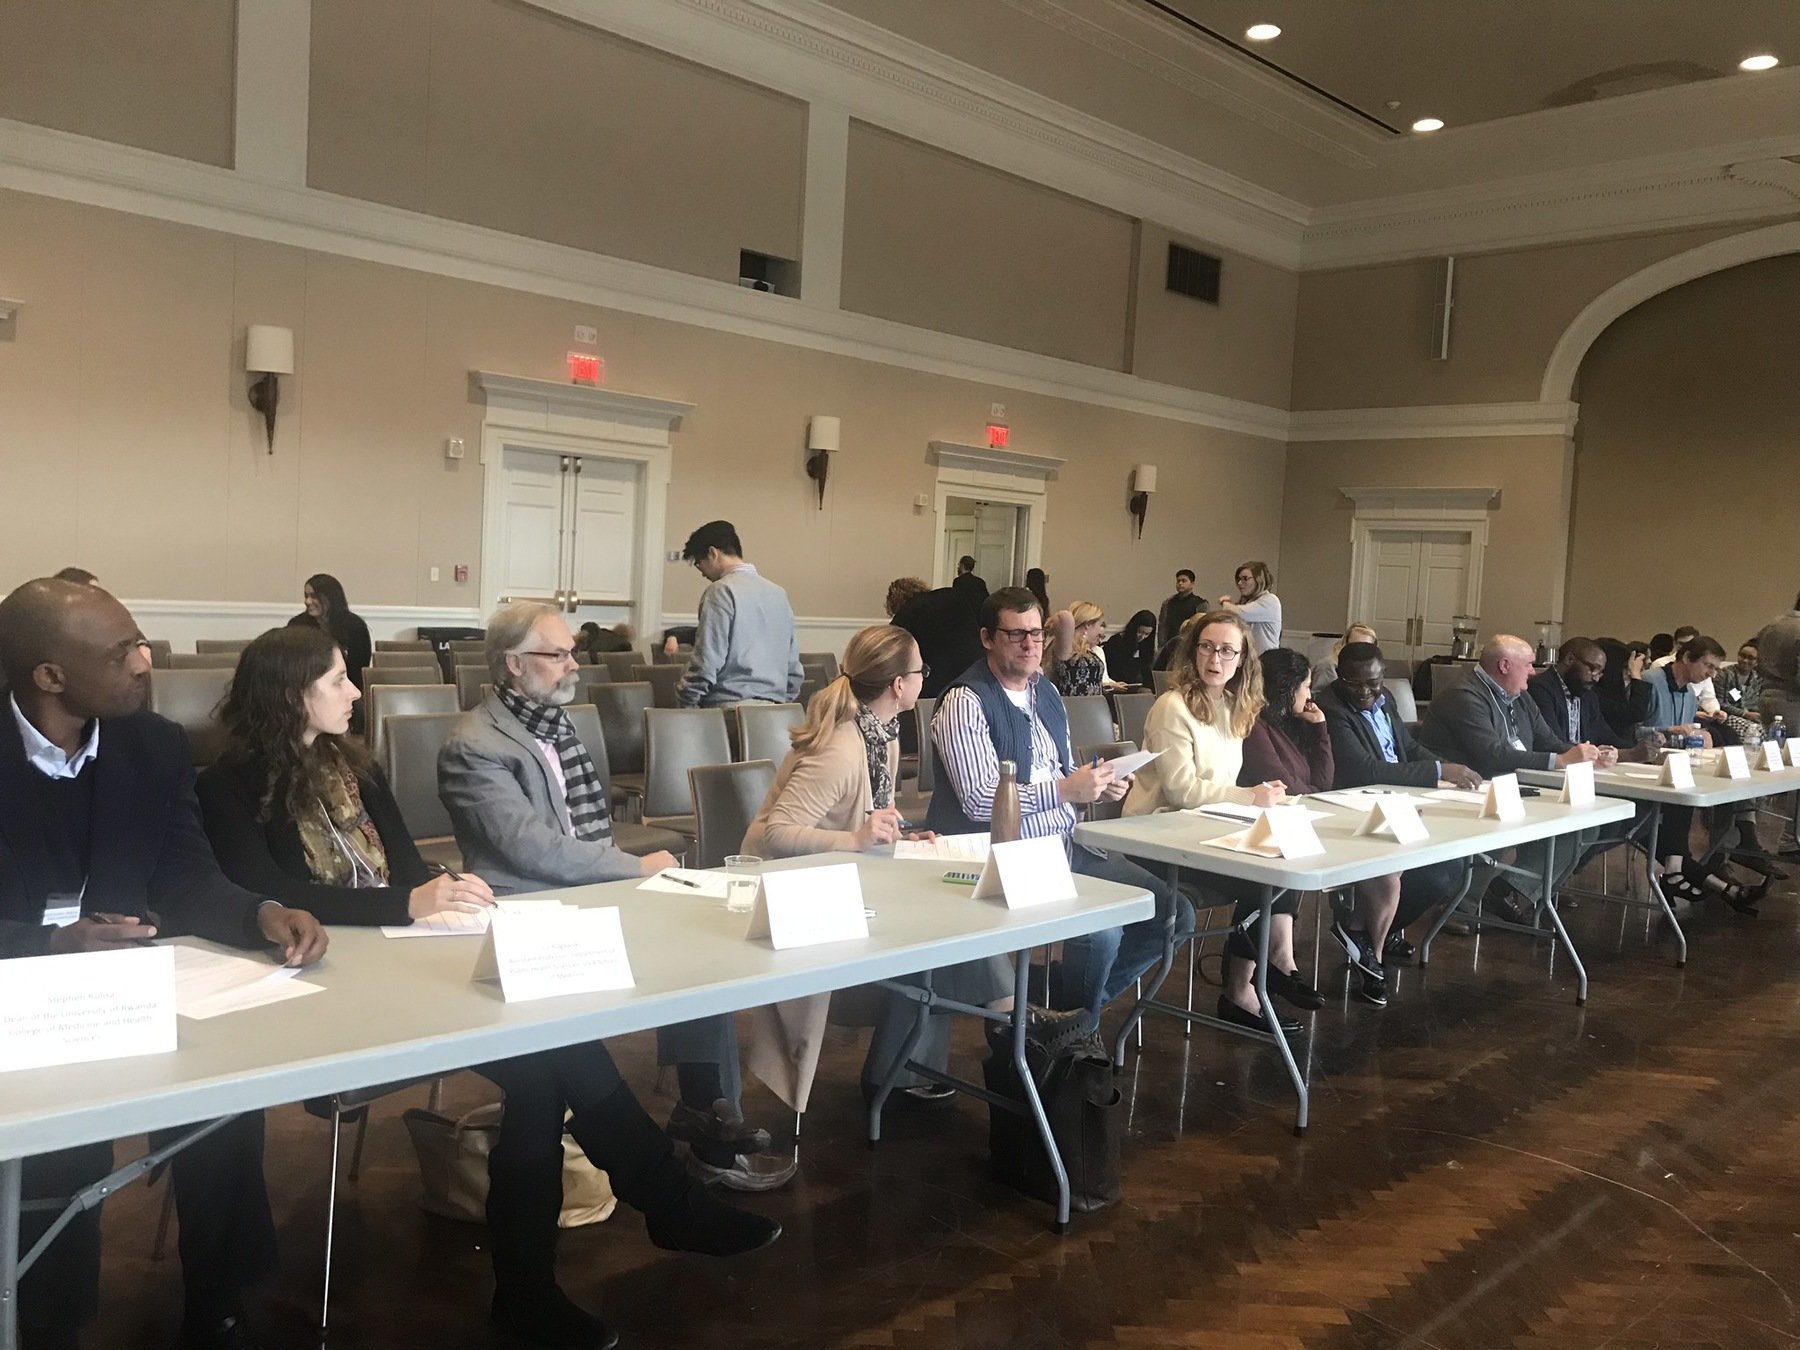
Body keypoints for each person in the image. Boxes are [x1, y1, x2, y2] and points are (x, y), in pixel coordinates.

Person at [198, 625, 776, 1349]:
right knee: (543, 1066)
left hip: (401, 960)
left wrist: (443, 891)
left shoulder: (353, 766)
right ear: (290, 695)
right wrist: (407, 904)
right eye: (338, 680)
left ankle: (549, 1277)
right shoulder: (226, 785)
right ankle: (650, 1211)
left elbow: (408, 868)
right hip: (317, 984)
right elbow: (272, 893)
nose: (354, 692)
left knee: (542, 1054)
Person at [0, 577, 328, 1350]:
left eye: (141, 642)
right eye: (122, 653)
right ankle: (47, 1321)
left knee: (223, 1098)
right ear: (50, 675)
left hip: (126, 986)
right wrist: (50, 947)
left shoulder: (152, 745)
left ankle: (219, 1303)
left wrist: (257, 912)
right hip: (18, 993)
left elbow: (182, 874)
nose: (145, 662)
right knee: (58, 1147)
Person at [437, 601, 790, 1193]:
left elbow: (580, 834)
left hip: (587, 889)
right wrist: (633, 867)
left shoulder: (554, 723)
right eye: (558, 655)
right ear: (514, 664)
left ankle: (705, 1110)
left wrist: (629, 877)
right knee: (555, 1059)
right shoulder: (473, 743)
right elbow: (530, 849)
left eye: (572, 652)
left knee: (702, 947)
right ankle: (684, 1149)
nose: (573, 664)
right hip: (530, 909)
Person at [742, 624, 1015, 1099]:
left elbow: (870, 815)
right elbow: (776, 833)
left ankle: (938, 1057)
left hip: (844, 874)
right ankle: (1006, 1039)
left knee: (953, 917)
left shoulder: (881, 734)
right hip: (784, 889)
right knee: (939, 924)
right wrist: (855, 839)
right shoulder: (840, 749)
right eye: (921, 670)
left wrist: (902, 834)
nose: (925, 678)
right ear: (898, 685)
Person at [926, 587, 1185, 1028]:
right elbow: (979, 800)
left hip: (1067, 843)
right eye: (1016, 635)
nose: (1030, 645)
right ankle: (1066, 1028)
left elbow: (1060, 772)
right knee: (1101, 932)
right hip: (1007, 858)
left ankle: (1063, 1014)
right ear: (987, 638)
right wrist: (1067, 790)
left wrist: (1095, 788)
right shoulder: (965, 701)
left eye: (1036, 634)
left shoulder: (1044, 690)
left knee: (1171, 911)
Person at [1122, 611, 1313, 1033]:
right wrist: (1248, 796)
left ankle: (1268, 971)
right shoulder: (1172, 706)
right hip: (1157, 837)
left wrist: (1266, 796)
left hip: (1206, 832)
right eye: (1207, 647)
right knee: (1264, 877)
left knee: (1282, 862)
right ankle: (1251, 986)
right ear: (1193, 652)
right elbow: (1181, 791)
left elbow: (1220, 785)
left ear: (1242, 659)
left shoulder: (1232, 706)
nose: (1215, 658)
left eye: (1228, 650)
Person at [1244, 647, 1405, 1006]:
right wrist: (1314, 789)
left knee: (1389, 866)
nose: (1310, 695)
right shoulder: (1256, 727)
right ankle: (1281, 963)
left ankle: (1370, 955)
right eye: (1305, 686)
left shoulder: (1294, 723)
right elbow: (1289, 788)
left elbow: (1322, 782)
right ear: (1286, 689)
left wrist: (1319, 729)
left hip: (1309, 818)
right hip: (1274, 829)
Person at [1415, 635, 1609, 921]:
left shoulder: (1520, 696)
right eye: (1528, 664)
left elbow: (1548, 740)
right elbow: (1492, 754)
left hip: (1506, 785)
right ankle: (1459, 906)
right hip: (1463, 787)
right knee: (1508, 815)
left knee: (1584, 826)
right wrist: (1561, 761)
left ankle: (1509, 891)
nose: (1534, 672)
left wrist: (1587, 753)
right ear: (1505, 665)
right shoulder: (1463, 694)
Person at [1318, 642, 1482, 972]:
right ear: (1339, 676)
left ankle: (1375, 930)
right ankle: (1360, 930)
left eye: (1373, 682)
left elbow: (1408, 747)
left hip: (1402, 799)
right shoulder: (1332, 708)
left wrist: (1447, 768)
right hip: (1359, 807)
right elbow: (1365, 770)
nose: (1365, 691)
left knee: (1452, 866)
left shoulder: (1386, 699)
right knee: (1434, 876)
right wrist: (1438, 771)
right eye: (1354, 683)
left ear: (1383, 676)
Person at [676, 520, 803, 708]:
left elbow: (707, 660)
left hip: (728, 708)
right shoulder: (778, 593)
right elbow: (793, 668)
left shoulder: (720, 591)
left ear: (713, 553)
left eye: (698, 563)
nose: (702, 573)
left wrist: (688, 703)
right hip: (777, 712)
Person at [1526, 638, 1636, 751]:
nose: (1596, 678)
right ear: (1570, 659)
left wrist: (1634, 751)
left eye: (1600, 673)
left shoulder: (1588, 695)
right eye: (1593, 669)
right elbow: (1552, 744)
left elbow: (1605, 735)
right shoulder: (1540, 689)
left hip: (1583, 760)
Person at [885, 575, 981, 703]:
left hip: (935, 688)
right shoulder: (953, 596)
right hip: (976, 675)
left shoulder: (904, 616)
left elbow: (893, 659)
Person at [286, 573, 372, 694]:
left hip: (344, 689)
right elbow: (291, 665)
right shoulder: (297, 625)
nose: (307, 601)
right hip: (306, 690)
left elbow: (359, 670)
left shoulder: (355, 627)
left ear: (330, 598)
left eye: (314, 596)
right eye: (306, 596)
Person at [1043, 600, 1108, 697]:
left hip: (1093, 704)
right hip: (1070, 704)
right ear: (1088, 624)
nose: (1101, 631)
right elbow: (1064, 617)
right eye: (1100, 624)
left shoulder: (1089, 650)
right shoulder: (1067, 646)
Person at [1218, 560, 1282, 654]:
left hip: (1266, 659)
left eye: (1245, 578)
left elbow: (1240, 613)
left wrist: (1225, 602)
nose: (1240, 583)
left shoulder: (1270, 600)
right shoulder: (1249, 602)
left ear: (1258, 579)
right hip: (1250, 658)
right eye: (1239, 579)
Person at [1595, 638, 1654, 736]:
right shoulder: (1596, 692)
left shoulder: (1618, 687)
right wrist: (1636, 675)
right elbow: (1636, 713)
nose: (1626, 672)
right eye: (1624, 667)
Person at [1312, 622, 1377, 692]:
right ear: (1345, 644)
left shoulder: (1372, 668)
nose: (1360, 650)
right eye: (1355, 645)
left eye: (1367, 647)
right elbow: (1319, 696)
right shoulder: (1328, 666)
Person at [1101, 610, 1157, 688]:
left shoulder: (1146, 645)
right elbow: (1110, 669)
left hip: (1136, 686)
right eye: (1140, 632)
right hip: (1116, 685)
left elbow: (1146, 672)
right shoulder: (1116, 642)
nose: (1142, 637)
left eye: (1147, 634)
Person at [1715, 638, 1763, 720]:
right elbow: (1719, 702)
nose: (1745, 660)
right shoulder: (1724, 675)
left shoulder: (1758, 679)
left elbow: (1756, 704)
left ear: (1757, 662)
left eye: (1750, 658)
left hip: (1751, 717)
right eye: (1742, 656)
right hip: (1727, 716)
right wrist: (1744, 714)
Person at [1156, 570, 1202, 650]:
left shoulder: (1200, 604)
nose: (1180, 583)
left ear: (1192, 584)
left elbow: (1202, 627)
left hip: (1190, 646)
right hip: (1170, 645)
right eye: (1178, 581)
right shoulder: (1168, 603)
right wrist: (1161, 646)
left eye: (1184, 581)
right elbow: (1163, 625)